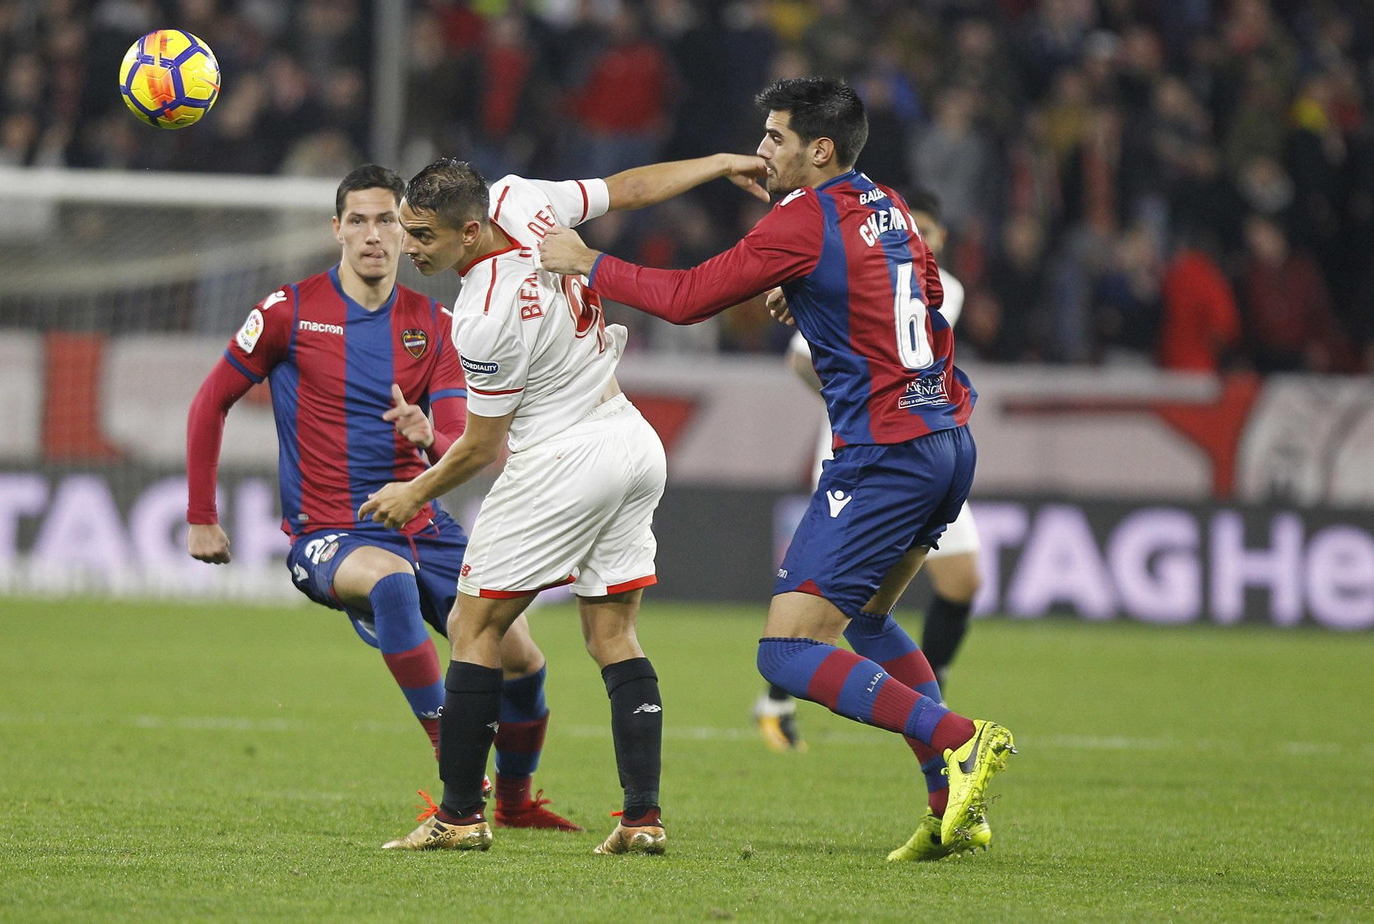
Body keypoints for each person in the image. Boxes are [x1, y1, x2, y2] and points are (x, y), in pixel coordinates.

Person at [541, 76, 1016, 861]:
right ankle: (950, 806)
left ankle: (959, 739)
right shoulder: (888, 204)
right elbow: (927, 295)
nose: (761, 152)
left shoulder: (804, 220)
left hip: (883, 455)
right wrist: (820, 295)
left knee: (786, 653)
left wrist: (589, 261)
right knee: (863, 620)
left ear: (818, 149)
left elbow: (689, 297)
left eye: (774, 138)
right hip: (945, 440)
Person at [360, 152, 769, 854]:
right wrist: (718, 163)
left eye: (422, 236)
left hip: (563, 458)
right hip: (631, 442)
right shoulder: (524, 196)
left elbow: (483, 447)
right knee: (612, 634)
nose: (408, 248)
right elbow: (626, 189)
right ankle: (642, 818)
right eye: (405, 229)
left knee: (472, 625)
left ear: (468, 230)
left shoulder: (482, 316)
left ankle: (458, 817)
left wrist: (414, 491)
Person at [184, 164, 578, 833]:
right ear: (336, 229)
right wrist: (200, 516)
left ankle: (514, 802)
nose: (374, 235)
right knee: (392, 584)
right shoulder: (289, 311)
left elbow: (462, 436)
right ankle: (455, 757)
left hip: (424, 522)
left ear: (408, 231)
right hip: (330, 532)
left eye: (387, 220)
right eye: (359, 221)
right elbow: (209, 401)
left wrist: (430, 438)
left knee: (523, 660)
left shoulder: (440, 324)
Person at [755, 188, 983, 753]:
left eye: (929, 233)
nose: (920, 240)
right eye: (915, 229)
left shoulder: (929, 284)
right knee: (845, 612)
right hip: (886, 451)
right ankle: (779, 701)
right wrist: (852, 400)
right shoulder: (868, 272)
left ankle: (940, 719)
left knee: (949, 585)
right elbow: (804, 359)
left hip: (906, 450)